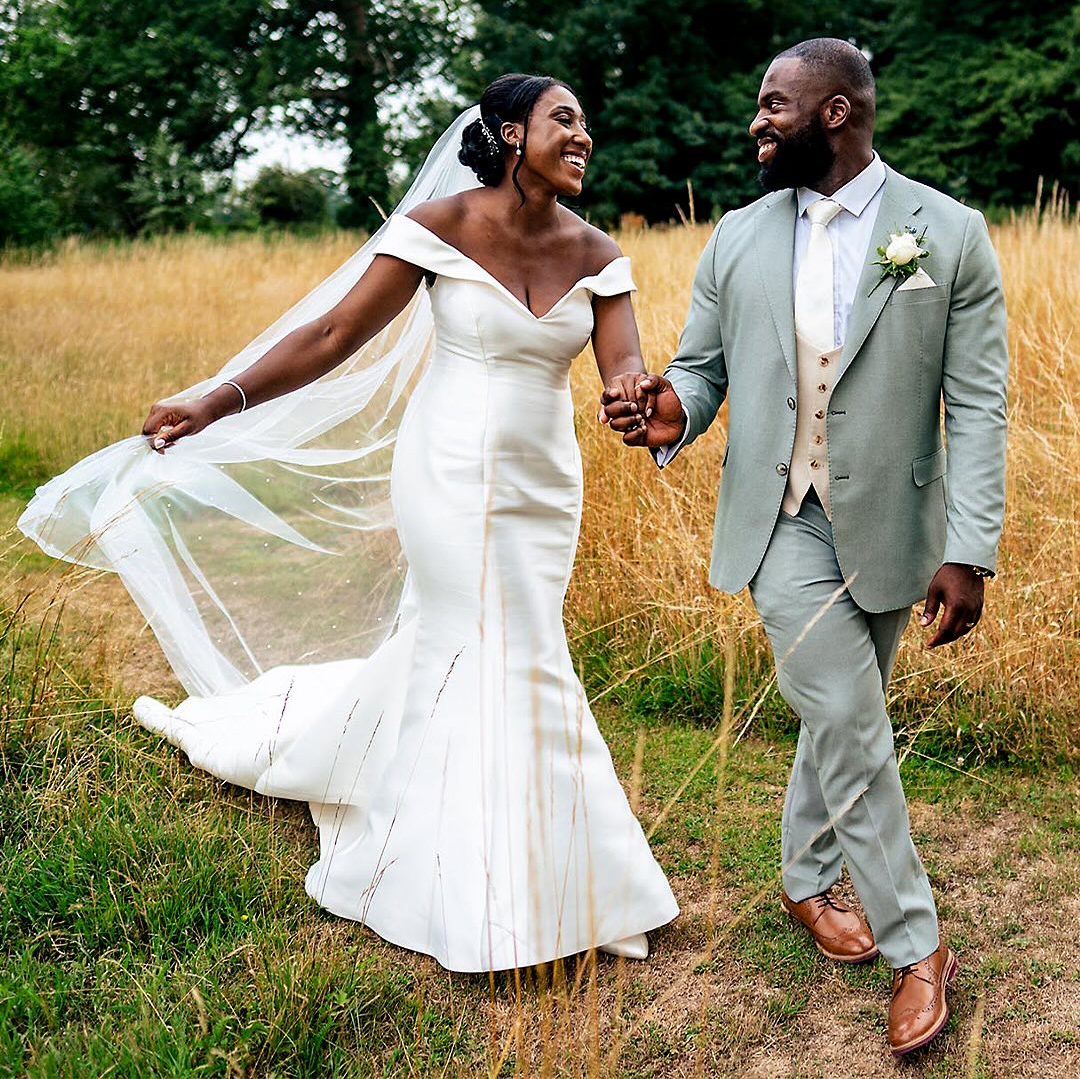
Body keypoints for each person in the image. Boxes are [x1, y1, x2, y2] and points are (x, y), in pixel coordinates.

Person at [20, 73, 678, 972]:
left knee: (503, 644)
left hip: (542, 487)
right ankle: (525, 886)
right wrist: (218, 399)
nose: (583, 137)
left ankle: (512, 853)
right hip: (445, 472)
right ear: (510, 132)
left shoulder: (600, 253)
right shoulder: (440, 226)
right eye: (564, 120)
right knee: (502, 645)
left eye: (586, 124)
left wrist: (631, 395)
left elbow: (623, 361)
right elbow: (333, 337)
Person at [601, 39, 1007, 1056]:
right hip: (779, 522)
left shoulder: (946, 234)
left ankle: (801, 882)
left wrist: (972, 547)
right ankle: (921, 947)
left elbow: (982, 406)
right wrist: (671, 413)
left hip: (896, 525)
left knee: (842, 717)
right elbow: (699, 367)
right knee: (851, 719)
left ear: (835, 113)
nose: (756, 122)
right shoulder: (737, 236)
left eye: (774, 105)